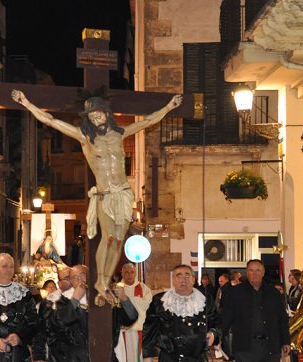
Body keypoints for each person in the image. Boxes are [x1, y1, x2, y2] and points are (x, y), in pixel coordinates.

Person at [12, 89, 182, 301]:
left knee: (119, 241)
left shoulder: (120, 134)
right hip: (105, 194)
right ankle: (100, 281)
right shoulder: (85, 138)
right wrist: (26, 102)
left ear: (106, 113)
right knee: (108, 238)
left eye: (98, 114)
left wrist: (169, 107)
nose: (96, 119)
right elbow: (51, 120)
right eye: (92, 117)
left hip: (123, 193)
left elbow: (147, 121)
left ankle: (105, 280)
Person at [218, 259, 289, 362]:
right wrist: (217, 335)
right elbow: (225, 317)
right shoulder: (235, 293)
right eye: (251, 270)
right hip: (245, 345)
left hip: (270, 344)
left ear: (263, 273)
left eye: (258, 270)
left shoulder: (274, 293)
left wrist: (286, 341)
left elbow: (282, 320)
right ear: (246, 272)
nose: (254, 273)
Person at [118, 263, 152, 362]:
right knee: (125, 358)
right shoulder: (117, 288)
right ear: (122, 274)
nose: (129, 275)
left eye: (131, 272)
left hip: (139, 328)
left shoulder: (143, 288)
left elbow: (146, 304)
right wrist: (133, 300)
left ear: (135, 273)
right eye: (126, 272)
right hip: (124, 330)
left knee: (139, 358)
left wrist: (128, 299)